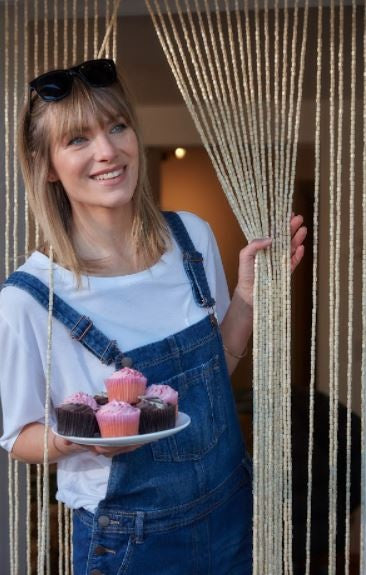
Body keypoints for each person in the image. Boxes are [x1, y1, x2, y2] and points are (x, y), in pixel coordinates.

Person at [0, 58, 306, 575]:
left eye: (117, 126)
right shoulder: (30, 298)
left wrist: (247, 298)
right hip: (129, 543)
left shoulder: (191, 239)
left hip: (233, 511)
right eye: (77, 140)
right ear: (47, 164)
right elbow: (16, 438)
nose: (107, 151)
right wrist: (76, 440)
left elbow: (216, 367)